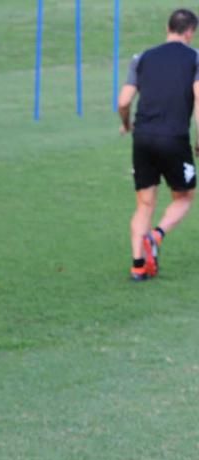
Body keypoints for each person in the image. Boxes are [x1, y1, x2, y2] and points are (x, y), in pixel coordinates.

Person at [117, 8, 199, 281]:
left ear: (168, 27)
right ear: (190, 31)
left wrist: (127, 125)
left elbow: (124, 101)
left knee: (144, 203)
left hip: (142, 137)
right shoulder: (195, 59)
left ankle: (138, 266)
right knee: (185, 195)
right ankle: (156, 236)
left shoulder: (142, 58)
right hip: (173, 138)